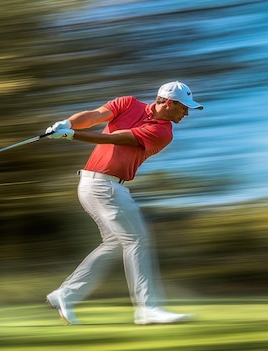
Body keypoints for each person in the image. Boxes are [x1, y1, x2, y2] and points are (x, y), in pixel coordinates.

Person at [44, 81, 203, 325]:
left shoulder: (163, 132)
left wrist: (71, 135)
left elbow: (116, 139)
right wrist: (68, 123)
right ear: (169, 103)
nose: (187, 113)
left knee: (116, 244)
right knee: (137, 240)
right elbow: (95, 116)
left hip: (102, 186)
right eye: (184, 107)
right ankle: (147, 308)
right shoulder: (127, 103)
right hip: (101, 186)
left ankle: (66, 294)